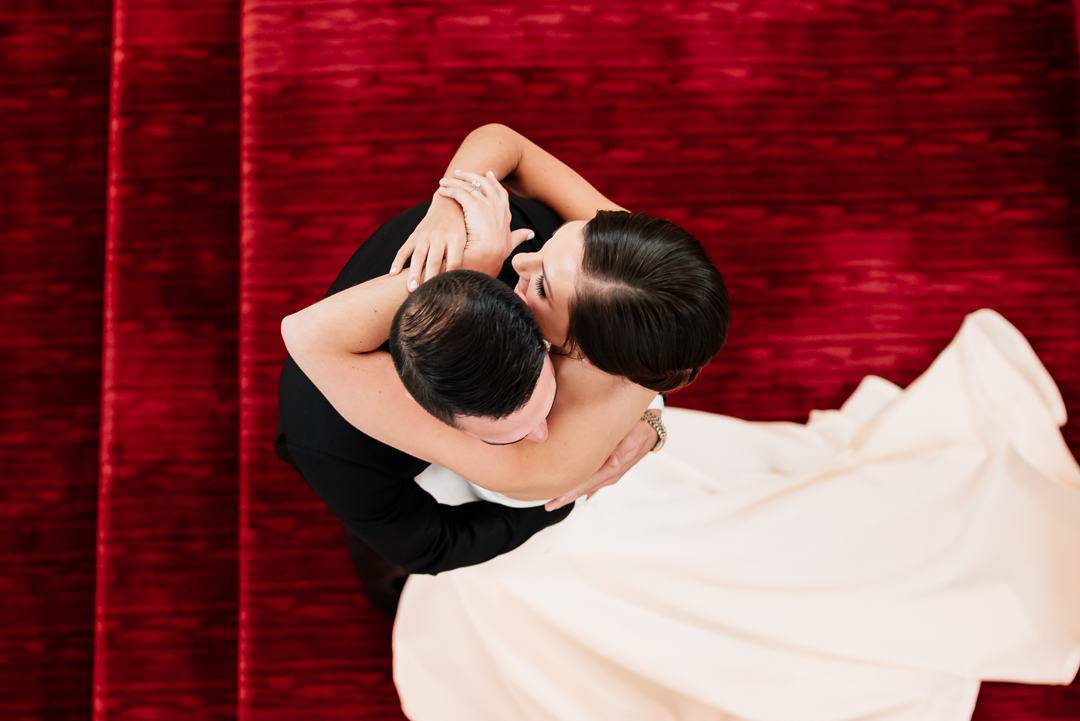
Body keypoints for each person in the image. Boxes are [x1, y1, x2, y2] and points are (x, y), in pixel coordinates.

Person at [276, 124, 729, 613]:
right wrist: (449, 207)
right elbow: (504, 144)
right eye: (567, 236)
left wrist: (650, 416)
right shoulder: (608, 266)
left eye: (543, 288)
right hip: (363, 445)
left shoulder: (625, 301)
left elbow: (664, 358)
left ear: (591, 354)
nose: (524, 255)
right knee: (387, 571)